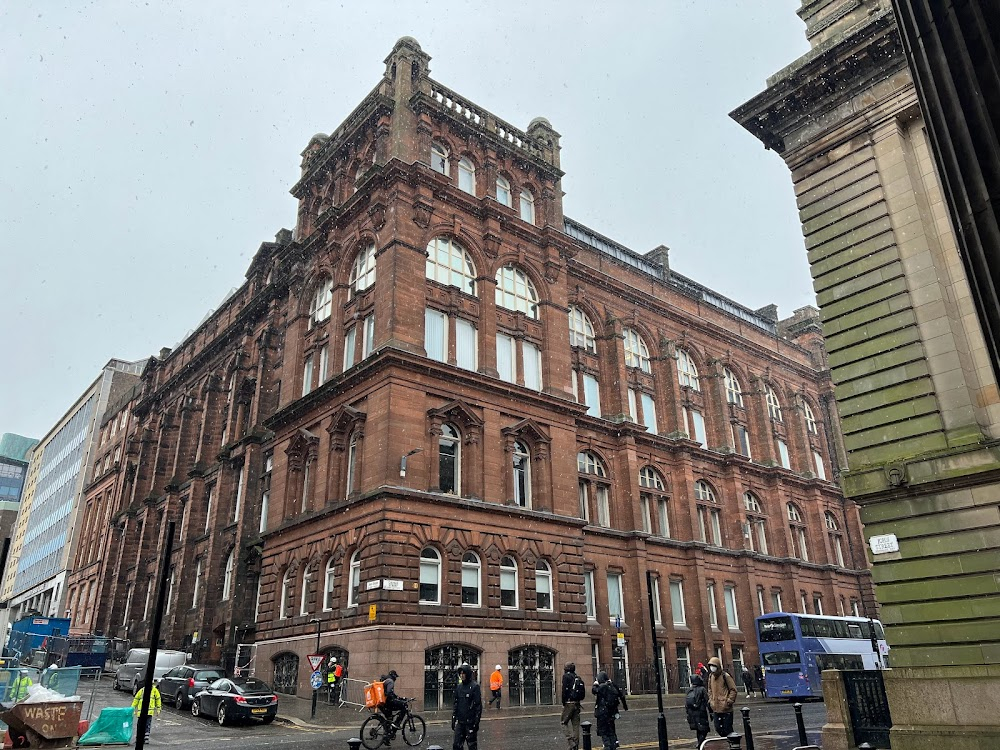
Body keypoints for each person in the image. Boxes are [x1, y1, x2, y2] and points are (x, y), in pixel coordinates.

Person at [592, 671, 628, 750]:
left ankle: (607, 746)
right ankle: (614, 744)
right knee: (611, 729)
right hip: (612, 712)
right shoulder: (612, 685)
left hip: (603, 712)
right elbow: (621, 695)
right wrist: (625, 706)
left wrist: (595, 683)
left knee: (603, 731)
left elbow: (594, 690)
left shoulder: (602, 687)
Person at [451, 664, 482, 750]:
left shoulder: (475, 687)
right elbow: (456, 703)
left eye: (463, 673)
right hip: (461, 722)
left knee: (472, 746)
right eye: (460, 673)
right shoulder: (459, 687)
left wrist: (476, 722)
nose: (462, 675)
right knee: (456, 745)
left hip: (470, 722)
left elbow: (478, 706)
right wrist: (454, 718)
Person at [706, 656, 737, 737]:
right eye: (711, 666)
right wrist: (711, 700)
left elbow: (733, 690)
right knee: (718, 728)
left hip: (726, 709)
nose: (712, 668)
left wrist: (728, 701)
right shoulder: (711, 676)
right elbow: (709, 690)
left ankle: (733, 744)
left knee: (728, 729)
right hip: (716, 708)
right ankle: (726, 741)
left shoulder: (725, 676)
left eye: (714, 665)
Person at [560, 662, 586, 750]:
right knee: (575, 725)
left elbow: (564, 690)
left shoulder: (566, 676)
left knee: (563, 722)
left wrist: (564, 702)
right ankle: (576, 744)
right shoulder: (577, 678)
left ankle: (571, 742)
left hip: (569, 703)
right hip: (577, 703)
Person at [685, 673, 710, 748]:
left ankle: (700, 742)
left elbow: (686, 704)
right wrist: (711, 712)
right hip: (701, 712)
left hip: (692, 713)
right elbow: (707, 701)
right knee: (704, 729)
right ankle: (700, 743)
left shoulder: (689, 690)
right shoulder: (702, 689)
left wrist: (688, 712)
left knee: (698, 729)